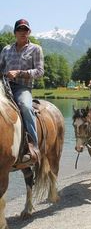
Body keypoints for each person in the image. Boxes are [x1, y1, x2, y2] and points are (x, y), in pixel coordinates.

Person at [0, 19, 44, 164]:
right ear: (15, 33)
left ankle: (32, 146)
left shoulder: (35, 49)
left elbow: (39, 71)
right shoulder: (6, 49)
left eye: (26, 30)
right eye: (20, 30)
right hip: (4, 86)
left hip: (22, 87)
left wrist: (19, 72)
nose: (23, 32)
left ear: (29, 32)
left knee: (25, 106)